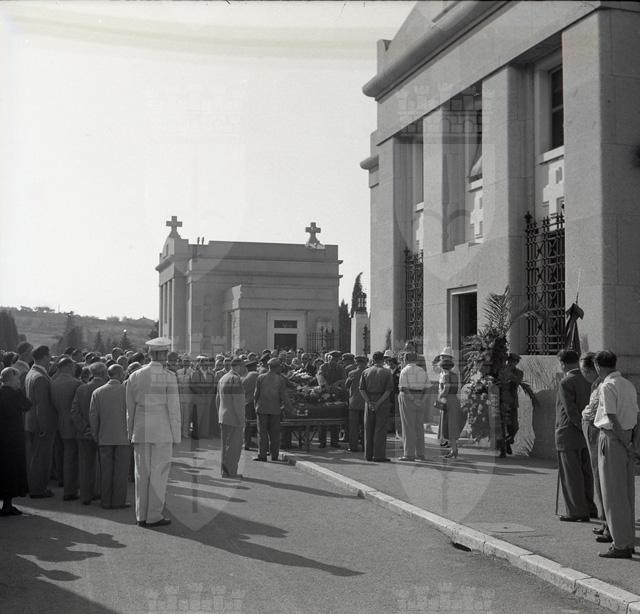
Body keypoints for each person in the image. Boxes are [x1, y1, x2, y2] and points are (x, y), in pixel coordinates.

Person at [126, 337, 181, 528]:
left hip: (141, 428)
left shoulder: (135, 375)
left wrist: (130, 432)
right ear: (164, 354)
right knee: (159, 474)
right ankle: (154, 515)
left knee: (141, 473)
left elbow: (129, 408)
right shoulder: (169, 376)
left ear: (150, 354)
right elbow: (173, 408)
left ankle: (141, 515)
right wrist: (176, 435)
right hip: (162, 429)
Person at [593, 350, 639, 558]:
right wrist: (633, 443)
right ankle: (626, 540)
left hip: (613, 438)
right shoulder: (627, 384)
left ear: (598, 366)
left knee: (613, 494)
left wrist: (624, 442)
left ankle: (621, 544)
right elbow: (636, 415)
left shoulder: (607, 385)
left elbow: (611, 416)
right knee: (627, 493)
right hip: (628, 436)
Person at [555, 349, 596, 522]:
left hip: (569, 432)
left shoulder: (566, 381)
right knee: (586, 472)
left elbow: (570, 410)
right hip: (587, 432)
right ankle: (589, 506)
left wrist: (581, 426)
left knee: (572, 473)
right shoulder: (588, 379)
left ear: (562, 363)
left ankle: (577, 511)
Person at [90, 364, 131, 509]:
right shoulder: (127, 391)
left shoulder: (97, 392)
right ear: (120, 374)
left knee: (106, 471)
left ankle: (106, 501)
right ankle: (118, 501)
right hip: (123, 437)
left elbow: (93, 416)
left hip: (104, 436)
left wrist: (95, 434)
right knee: (121, 471)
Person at [71, 362, 108, 505]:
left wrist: (85, 428)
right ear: (104, 373)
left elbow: (74, 412)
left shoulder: (81, 389)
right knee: (104, 466)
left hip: (84, 434)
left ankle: (86, 496)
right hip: (103, 433)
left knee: (85, 465)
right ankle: (103, 494)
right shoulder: (107, 388)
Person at [579, 353, 608, 538]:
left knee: (600, 476)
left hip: (596, 431)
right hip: (595, 429)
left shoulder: (604, 385)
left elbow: (596, 411)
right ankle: (606, 521)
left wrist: (584, 414)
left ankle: (608, 522)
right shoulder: (598, 384)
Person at [24, 345, 56, 498]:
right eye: (49, 356)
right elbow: (41, 405)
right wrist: (44, 426)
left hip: (31, 421)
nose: (50, 359)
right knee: (41, 458)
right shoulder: (41, 377)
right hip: (40, 423)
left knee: (35, 456)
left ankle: (36, 487)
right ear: (44, 357)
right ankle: (38, 489)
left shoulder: (31, 373)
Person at [0, 367, 31, 515]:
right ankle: (7, 505)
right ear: (11, 379)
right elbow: (27, 405)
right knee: (11, 471)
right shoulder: (14, 394)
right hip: (12, 438)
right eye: (17, 378)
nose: (19, 381)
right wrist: (19, 391)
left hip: (3, 437)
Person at [50, 357, 82, 501]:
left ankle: (63, 480)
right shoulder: (75, 383)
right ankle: (70, 489)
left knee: (61, 453)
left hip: (58, 421)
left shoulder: (53, 382)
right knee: (71, 457)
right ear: (69, 366)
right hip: (72, 423)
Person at [359, 351, 394, 462]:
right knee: (380, 428)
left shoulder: (366, 371)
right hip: (382, 401)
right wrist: (378, 403)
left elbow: (361, 389)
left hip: (368, 400)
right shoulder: (387, 372)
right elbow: (388, 390)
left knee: (368, 428)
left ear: (373, 360)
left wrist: (369, 402)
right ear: (383, 360)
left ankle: (368, 455)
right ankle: (378, 455)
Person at [254, 358, 291, 462]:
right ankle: (274, 455)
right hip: (275, 410)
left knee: (262, 433)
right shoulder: (280, 379)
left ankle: (262, 455)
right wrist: (289, 408)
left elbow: (256, 394)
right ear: (277, 367)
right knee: (275, 434)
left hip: (262, 409)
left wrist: (255, 406)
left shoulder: (260, 377)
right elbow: (284, 396)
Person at [216, 358, 246, 478]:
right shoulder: (236, 379)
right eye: (243, 366)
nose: (244, 369)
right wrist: (241, 419)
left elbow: (217, 399)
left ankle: (224, 471)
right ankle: (231, 472)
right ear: (238, 366)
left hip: (223, 416)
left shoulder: (223, 378)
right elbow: (238, 402)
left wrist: (220, 415)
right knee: (234, 447)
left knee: (225, 447)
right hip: (234, 418)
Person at [397, 352, 429, 461]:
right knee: (419, 426)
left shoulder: (404, 370)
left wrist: (413, 399)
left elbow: (404, 388)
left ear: (405, 360)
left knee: (408, 426)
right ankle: (420, 453)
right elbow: (428, 388)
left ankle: (409, 454)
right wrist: (422, 400)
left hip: (408, 398)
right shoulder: (422, 370)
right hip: (420, 397)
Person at [316, 350, 346, 448]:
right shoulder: (323, 367)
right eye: (332, 359)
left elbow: (344, 379)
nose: (334, 361)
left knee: (335, 418)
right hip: (324, 394)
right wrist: (325, 385)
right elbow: (320, 377)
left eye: (336, 360)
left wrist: (338, 382)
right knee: (323, 419)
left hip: (336, 394)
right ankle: (322, 441)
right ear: (329, 358)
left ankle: (334, 441)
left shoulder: (340, 368)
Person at [437, 354, 464, 459]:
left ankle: (454, 450)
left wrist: (440, 396)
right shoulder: (455, 375)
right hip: (454, 400)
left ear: (442, 366)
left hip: (447, 400)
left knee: (449, 425)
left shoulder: (445, 376)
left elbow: (446, 389)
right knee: (453, 425)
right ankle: (454, 449)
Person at [345, 355, 367, 452]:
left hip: (353, 402)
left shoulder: (352, 373)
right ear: (365, 362)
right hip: (365, 401)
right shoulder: (368, 372)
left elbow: (346, 385)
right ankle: (365, 445)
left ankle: (353, 446)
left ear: (356, 362)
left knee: (353, 427)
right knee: (365, 426)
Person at [242, 360, 259, 450]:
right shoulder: (257, 375)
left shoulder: (243, 378)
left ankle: (247, 443)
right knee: (259, 423)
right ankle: (261, 444)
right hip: (257, 402)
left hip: (247, 402)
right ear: (254, 367)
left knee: (247, 424)